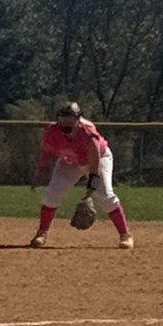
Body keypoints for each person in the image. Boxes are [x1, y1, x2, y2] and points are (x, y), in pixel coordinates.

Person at [29, 101, 134, 250]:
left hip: (98, 158)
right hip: (70, 161)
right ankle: (41, 233)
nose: (66, 120)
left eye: (70, 117)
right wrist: (40, 172)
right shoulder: (52, 131)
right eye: (63, 117)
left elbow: (95, 156)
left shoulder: (87, 131)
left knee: (104, 194)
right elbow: (46, 153)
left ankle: (125, 235)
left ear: (78, 118)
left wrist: (92, 181)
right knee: (52, 193)